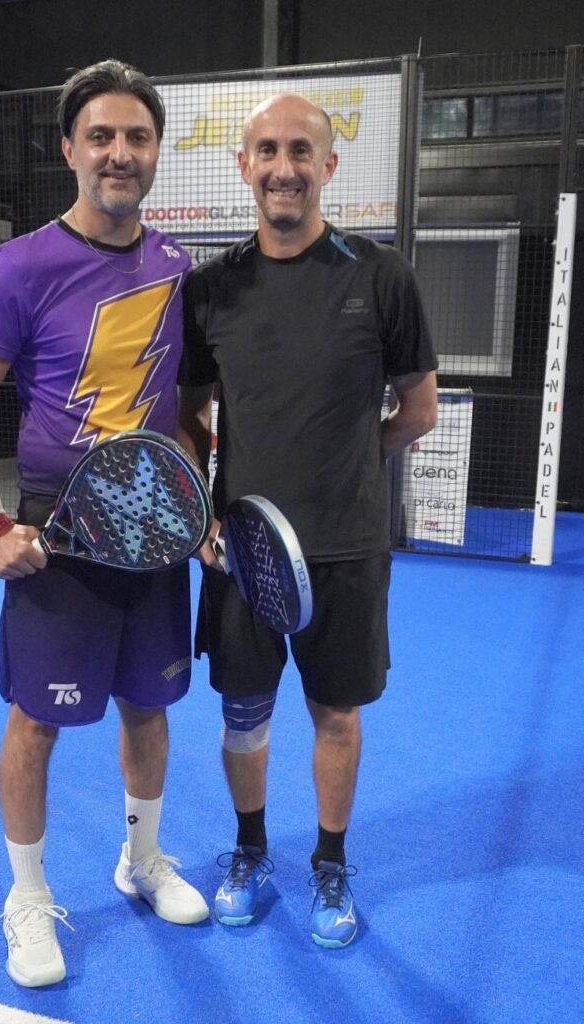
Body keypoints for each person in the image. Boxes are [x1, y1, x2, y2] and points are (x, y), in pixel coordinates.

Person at [0, 59, 208, 989]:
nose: (118, 152)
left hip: (153, 536)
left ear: (156, 152)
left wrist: (195, 503)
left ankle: (141, 860)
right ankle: (26, 897)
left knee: (150, 705)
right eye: (101, 136)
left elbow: (184, 409)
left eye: (136, 136)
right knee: (35, 722)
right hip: (55, 540)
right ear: (69, 150)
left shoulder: (176, 268)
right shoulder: (23, 265)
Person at [177, 93, 439, 949]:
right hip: (240, 552)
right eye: (266, 150)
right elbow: (189, 414)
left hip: (347, 550)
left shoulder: (381, 277)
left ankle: (329, 862)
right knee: (243, 713)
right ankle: (250, 851)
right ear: (243, 165)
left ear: (328, 166)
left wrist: (350, 465)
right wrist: (206, 514)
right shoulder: (209, 288)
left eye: (300, 151)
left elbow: (418, 411)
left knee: (336, 716)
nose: (282, 167)